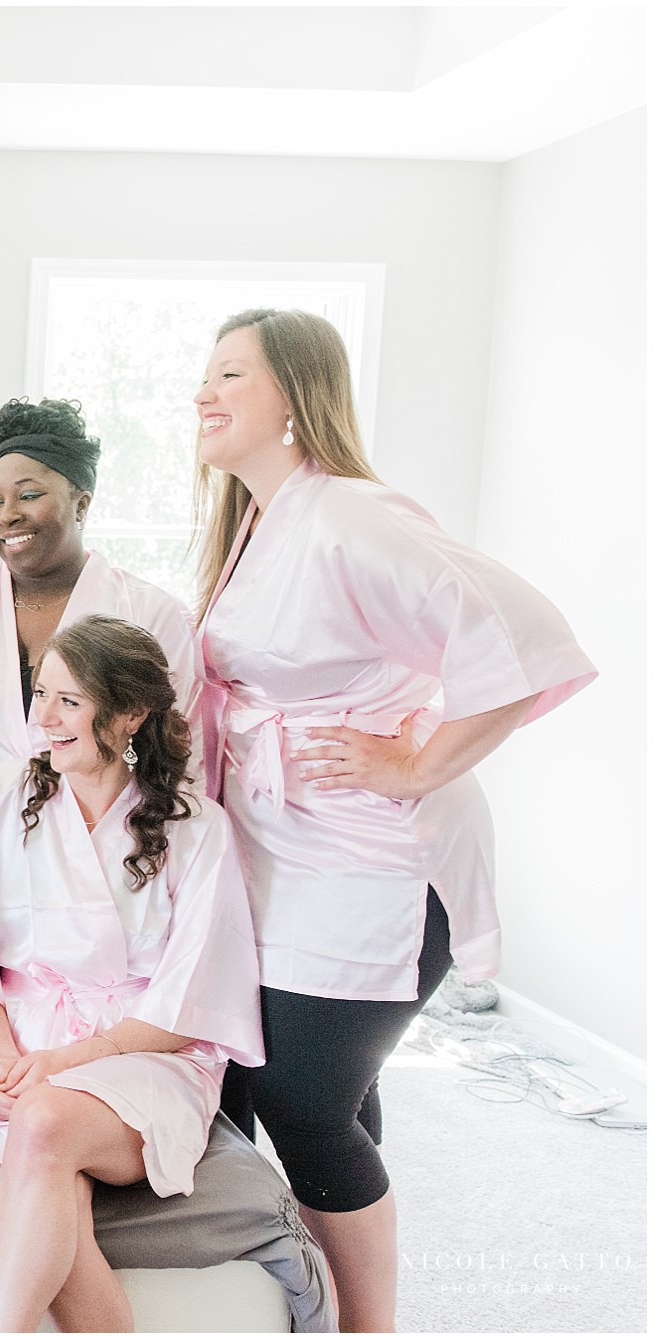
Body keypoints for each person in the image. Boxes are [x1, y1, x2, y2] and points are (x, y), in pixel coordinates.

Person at [192, 308, 595, 1331]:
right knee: (301, 1085)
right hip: (280, 856)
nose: (203, 392)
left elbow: (525, 638)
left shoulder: (348, 515)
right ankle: (309, 1297)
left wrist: (414, 759)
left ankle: (371, 1325)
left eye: (228, 374)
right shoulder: (258, 519)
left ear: (292, 393)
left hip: (367, 863)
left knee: (304, 1102)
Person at [0, 615, 263, 1332]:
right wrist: (8, 1056)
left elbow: (185, 1004)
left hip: (145, 1053)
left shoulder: (197, 828)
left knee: (40, 1124)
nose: (45, 717)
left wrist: (55, 1065)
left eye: (70, 700)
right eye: (40, 694)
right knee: (46, 1162)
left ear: (128, 713)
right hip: (23, 1042)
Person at [0, 398, 199, 783]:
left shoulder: (150, 612)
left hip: (97, 830)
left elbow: (182, 756)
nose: (7, 514)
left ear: (81, 505)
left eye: (29, 495)